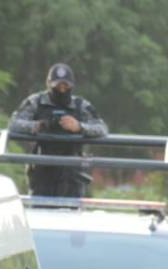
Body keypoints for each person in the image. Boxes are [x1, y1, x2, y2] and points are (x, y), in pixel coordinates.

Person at [8, 63, 107, 197]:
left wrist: (79, 127)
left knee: (71, 212)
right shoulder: (36, 102)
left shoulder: (81, 105)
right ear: (49, 84)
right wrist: (38, 126)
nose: (62, 90)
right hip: (42, 167)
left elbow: (101, 128)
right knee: (40, 212)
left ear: (72, 85)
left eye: (66, 86)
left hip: (72, 168)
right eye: (58, 86)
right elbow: (14, 124)